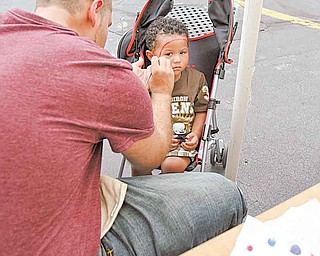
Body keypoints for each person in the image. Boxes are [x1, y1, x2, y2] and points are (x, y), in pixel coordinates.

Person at [0, 1, 247, 256]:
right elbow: (151, 156)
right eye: (107, 26)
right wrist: (161, 91)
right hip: (61, 244)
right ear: (94, 10)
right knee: (227, 195)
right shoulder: (98, 69)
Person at [145, 16, 210, 173]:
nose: (177, 60)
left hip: (181, 144)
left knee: (171, 165)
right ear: (151, 57)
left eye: (183, 52)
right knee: (139, 164)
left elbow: (201, 110)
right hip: (152, 140)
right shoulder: (146, 79)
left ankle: (161, 191)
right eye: (168, 54)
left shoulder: (196, 79)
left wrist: (195, 134)